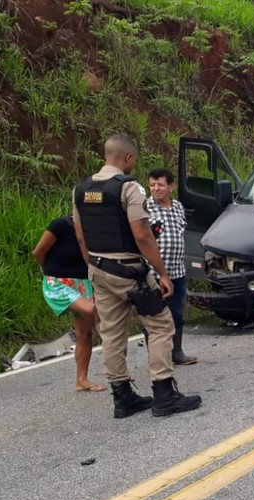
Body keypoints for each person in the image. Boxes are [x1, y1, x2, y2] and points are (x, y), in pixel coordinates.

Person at [73, 134, 201, 418]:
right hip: (130, 271)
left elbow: (80, 236)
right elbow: (142, 235)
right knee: (161, 325)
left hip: (98, 270)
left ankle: (123, 398)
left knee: (112, 333)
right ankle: (164, 393)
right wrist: (163, 274)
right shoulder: (128, 187)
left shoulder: (80, 189)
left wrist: (93, 268)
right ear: (128, 158)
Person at [32, 215, 105, 392]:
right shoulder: (61, 225)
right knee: (93, 310)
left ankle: (82, 380)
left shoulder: (96, 226)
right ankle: (113, 351)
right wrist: (50, 272)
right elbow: (38, 252)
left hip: (84, 283)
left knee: (84, 334)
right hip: (58, 282)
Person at [145, 168, 196, 365]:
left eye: (160, 185)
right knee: (153, 316)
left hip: (177, 271)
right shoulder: (144, 207)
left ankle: (177, 352)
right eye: (152, 185)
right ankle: (157, 357)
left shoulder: (177, 207)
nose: (155, 189)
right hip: (153, 272)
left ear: (171, 187)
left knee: (176, 313)